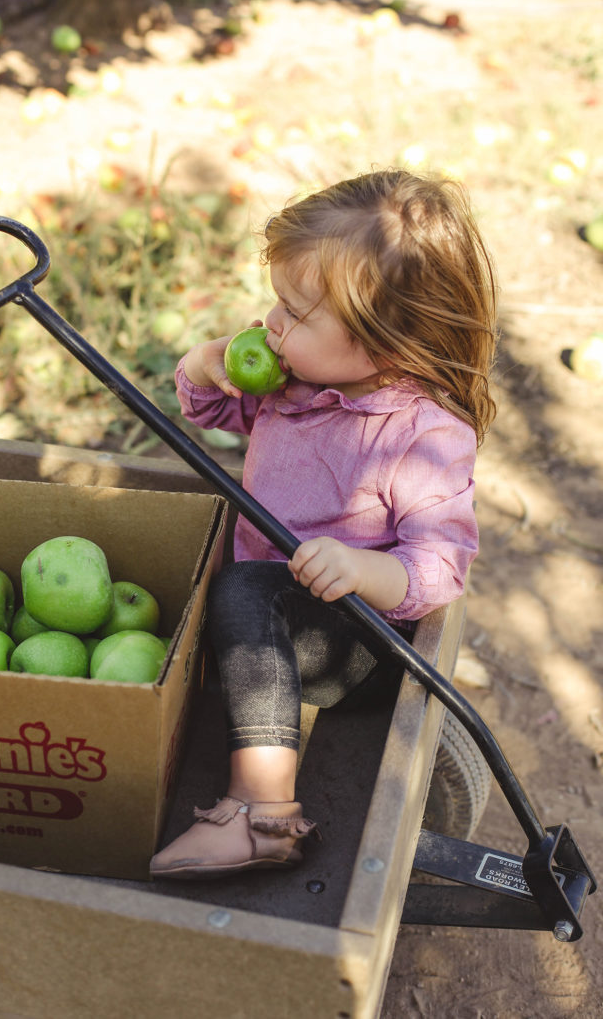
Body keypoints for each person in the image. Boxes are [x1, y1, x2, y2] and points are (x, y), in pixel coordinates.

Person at [150, 168, 497, 880]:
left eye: (297, 313)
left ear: (389, 344)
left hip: (356, 643)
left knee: (247, 591)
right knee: (233, 585)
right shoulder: (296, 377)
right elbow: (214, 412)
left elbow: (442, 565)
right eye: (277, 302)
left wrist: (364, 568)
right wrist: (205, 363)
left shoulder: (423, 436)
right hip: (265, 610)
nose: (272, 324)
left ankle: (265, 817)